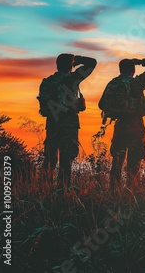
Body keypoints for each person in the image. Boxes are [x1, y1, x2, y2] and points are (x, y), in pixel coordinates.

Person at [100, 58, 145, 190]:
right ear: (133, 70)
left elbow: (101, 104)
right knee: (134, 166)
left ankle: (114, 192)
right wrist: (139, 61)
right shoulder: (136, 82)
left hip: (120, 128)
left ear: (120, 69)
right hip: (135, 128)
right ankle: (131, 194)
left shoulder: (112, 83)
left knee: (116, 163)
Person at [39, 53, 97, 188]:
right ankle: (63, 190)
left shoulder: (47, 81)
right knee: (66, 159)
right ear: (70, 65)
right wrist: (79, 59)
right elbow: (92, 63)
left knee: (49, 159)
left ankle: (43, 189)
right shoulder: (72, 78)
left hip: (52, 123)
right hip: (69, 124)